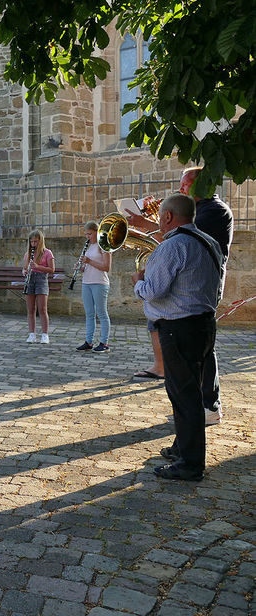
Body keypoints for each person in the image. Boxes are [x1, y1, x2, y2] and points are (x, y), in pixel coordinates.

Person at [127, 167, 233, 426]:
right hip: (192, 285)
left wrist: (149, 223)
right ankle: (199, 407)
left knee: (201, 350)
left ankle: (207, 404)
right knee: (199, 349)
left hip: (198, 288)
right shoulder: (206, 209)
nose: (181, 189)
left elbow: (183, 234)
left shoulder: (213, 211)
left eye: (185, 186)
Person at [132, 193, 223, 481]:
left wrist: (138, 283)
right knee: (191, 391)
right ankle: (182, 447)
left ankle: (191, 464)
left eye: (160, 217)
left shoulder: (172, 246)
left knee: (183, 395)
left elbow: (153, 291)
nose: (158, 222)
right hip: (205, 324)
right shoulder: (209, 242)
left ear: (169, 216)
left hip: (179, 328)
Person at [75, 221, 112, 352]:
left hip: (99, 283)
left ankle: (104, 343)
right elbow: (87, 266)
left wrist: (89, 261)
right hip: (87, 282)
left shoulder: (104, 245)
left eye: (89, 234)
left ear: (97, 232)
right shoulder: (88, 246)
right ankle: (88, 342)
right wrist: (81, 267)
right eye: (86, 234)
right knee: (89, 314)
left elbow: (106, 267)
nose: (87, 237)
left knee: (102, 313)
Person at [23, 230, 54, 344]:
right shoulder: (28, 254)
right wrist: (24, 271)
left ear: (41, 241)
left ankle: (45, 335)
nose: (33, 244)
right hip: (30, 281)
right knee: (30, 309)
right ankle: (32, 334)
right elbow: (25, 268)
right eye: (31, 242)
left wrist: (38, 266)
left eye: (36, 241)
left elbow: (51, 269)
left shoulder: (47, 253)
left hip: (41, 280)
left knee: (42, 309)